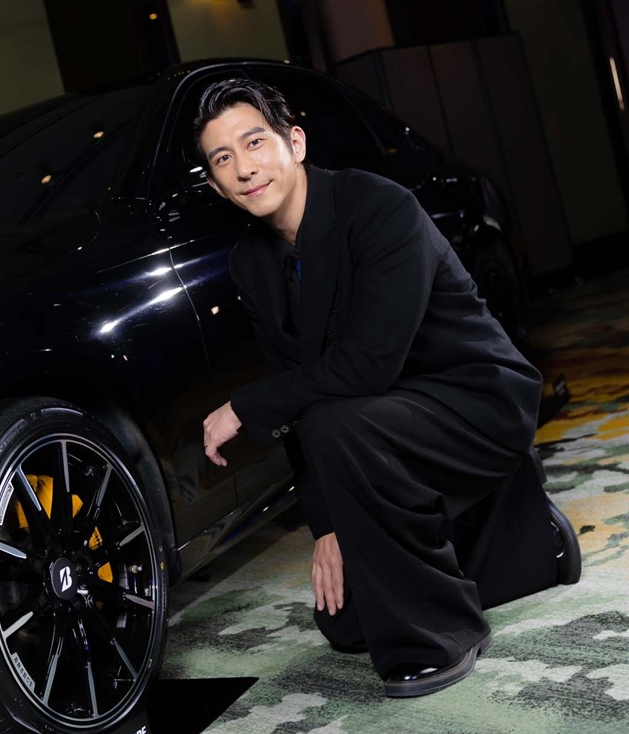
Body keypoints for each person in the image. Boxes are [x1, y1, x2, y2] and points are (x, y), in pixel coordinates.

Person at [196, 77, 578, 697]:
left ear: (295, 143)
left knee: (336, 424)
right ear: (216, 184)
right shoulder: (252, 261)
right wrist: (328, 523)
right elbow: (296, 394)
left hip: (474, 403)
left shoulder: (379, 207)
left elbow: (367, 365)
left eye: (255, 142)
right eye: (223, 158)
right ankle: (530, 538)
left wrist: (244, 406)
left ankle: (440, 637)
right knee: (345, 625)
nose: (244, 168)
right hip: (378, 428)